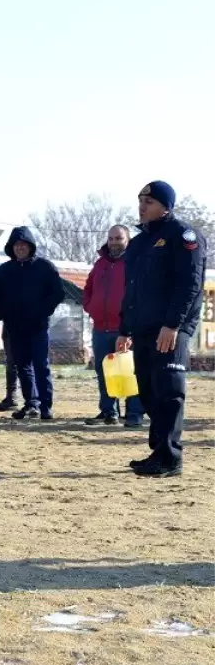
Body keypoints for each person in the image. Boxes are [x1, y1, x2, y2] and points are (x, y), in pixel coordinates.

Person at [118, 180, 206, 478]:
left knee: (169, 391)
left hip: (171, 328)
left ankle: (170, 457)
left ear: (166, 206)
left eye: (149, 202)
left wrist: (173, 325)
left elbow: (189, 284)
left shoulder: (183, 235)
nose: (142, 206)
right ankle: (158, 451)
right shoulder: (140, 242)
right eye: (140, 200)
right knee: (148, 390)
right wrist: (123, 328)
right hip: (142, 328)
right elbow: (131, 289)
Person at [0, 227, 64, 420]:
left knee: (41, 365)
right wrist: (3, 314)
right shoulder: (4, 270)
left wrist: (43, 312)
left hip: (37, 326)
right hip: (15, 326)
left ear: (30, 246)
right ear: (11, 248)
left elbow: (57, 292)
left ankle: (46, 406)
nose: (20, 248)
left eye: (23, 245)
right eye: (16, 245)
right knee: (22, 366)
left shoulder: (44, 267)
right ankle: (31, 404)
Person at [82, 224, 143, 427]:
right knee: (105, 372)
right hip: (101, 328)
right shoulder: (100, 264)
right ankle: (109, 411)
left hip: (125, 329)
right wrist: (90, 307)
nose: (114, 242)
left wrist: (131, 324)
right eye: (111, 238)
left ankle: (134, 414)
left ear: (127, 240)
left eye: (118, 238)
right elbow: (88, 288)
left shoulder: (135, 262)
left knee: (130, 372)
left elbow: (139, 294)